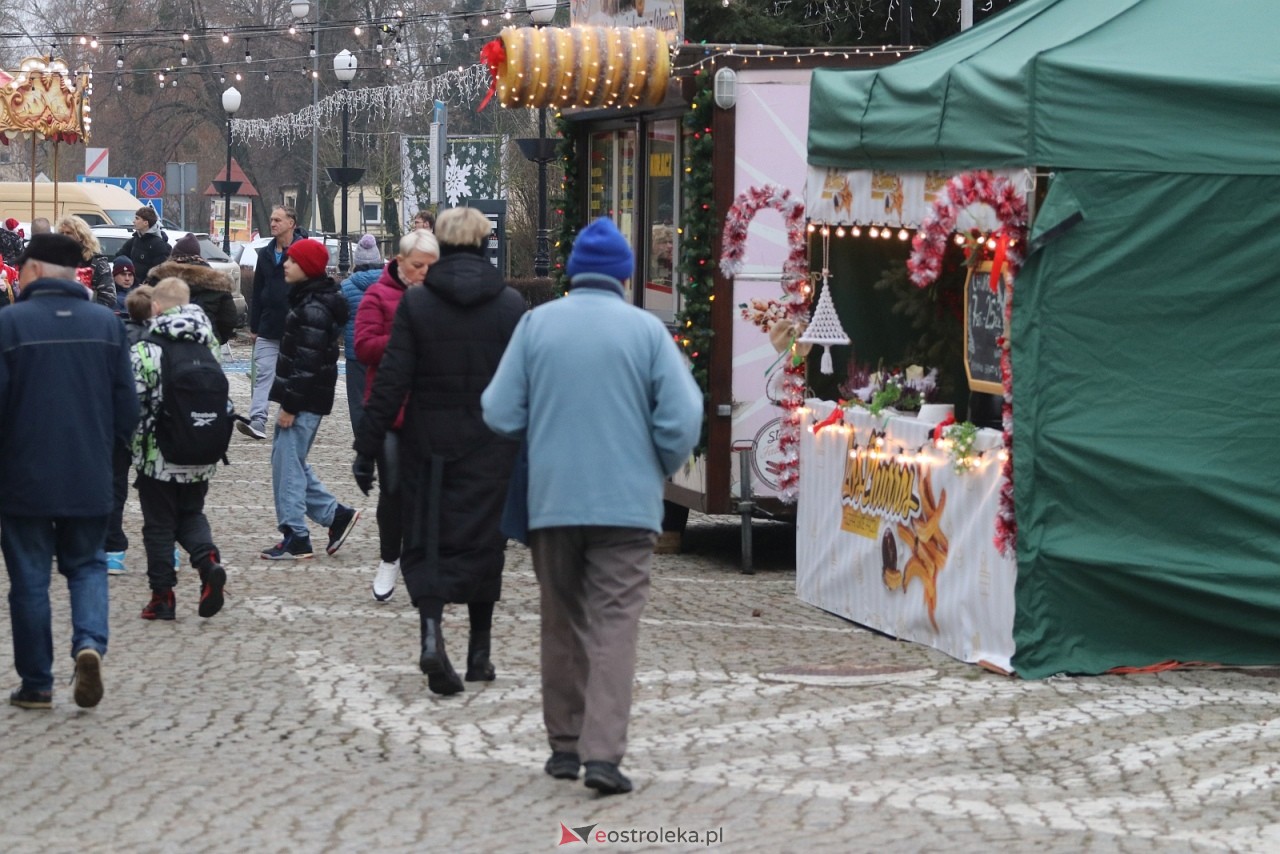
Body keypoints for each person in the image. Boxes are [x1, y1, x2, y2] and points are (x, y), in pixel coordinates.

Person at [481, 217, 702, 795]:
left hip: (552, 501)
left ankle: (564, 744)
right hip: (627, 508)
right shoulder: (647, 333)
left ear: (573, 272)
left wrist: (545, 428)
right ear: (625, 278)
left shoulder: (536, 326)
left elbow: (500, 411)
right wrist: (655, 463)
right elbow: (683, 418)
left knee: (560, 620)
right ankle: (603, 755)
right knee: (614, 625)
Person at [354, 208, 523, 695]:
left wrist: (367, 447)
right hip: (490, 445)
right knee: (484, 543)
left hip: (427, 443)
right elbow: (523, 385)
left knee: (426, 540)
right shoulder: (510, 305)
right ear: (485, 243)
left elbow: (391, 382)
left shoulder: (419, 304)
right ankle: (480, 652)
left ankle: (431, 636)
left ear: (442, 246)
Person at [0, 232, 139, 710]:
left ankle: (38, 683)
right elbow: (128, 407)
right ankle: (88, 644)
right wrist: (110, 453)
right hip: (88, 471)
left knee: (31, 580)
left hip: (23, 478)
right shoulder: (107, 324)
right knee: (86, 567)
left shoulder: (9, 325)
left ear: (33, 270)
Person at [130, 277, 229, 621]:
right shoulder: (210, 344)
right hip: (201, 449)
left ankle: (162, 597)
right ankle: (208, 562)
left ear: (156, 307)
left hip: (158, 455)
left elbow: (133, 402)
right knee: (191, 513)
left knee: (158, 525)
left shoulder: (147, 348)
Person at [260, 237, 360, 560]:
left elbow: (307, 362)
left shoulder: (314, 307)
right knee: (288, 461)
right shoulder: (309, 300)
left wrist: (290, 405)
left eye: (291, 260)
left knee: (287, 464)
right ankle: (335, 516)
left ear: (306, 268)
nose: (285, 265)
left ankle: (296, 535)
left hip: (303, 400)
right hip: (305, 398)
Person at [352, 229, 439, 602]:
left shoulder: (440, 296)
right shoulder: (378, 294)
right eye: (418, 266)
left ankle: (423, 562)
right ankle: (390, 558)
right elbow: (363, 346)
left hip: (431, 407)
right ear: (400, 262)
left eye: (431, 267)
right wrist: (404, 339)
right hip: (389, 407)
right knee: (393, 488)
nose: (424, 274)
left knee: (429, 491)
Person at [105, 284, 158, 577]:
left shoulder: (116, 337)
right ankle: (166, 549)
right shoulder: (162, 339)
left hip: (119, 423)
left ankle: (113, 549)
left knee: (115, 486)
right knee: (155, 490)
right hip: (153, 425)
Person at [241, 205, 306, 440]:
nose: (273, 223)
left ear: (292, 223)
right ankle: (258, 419)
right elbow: (257, 292)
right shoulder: (266, 254)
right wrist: (255, 326)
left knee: (292, 376)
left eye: (278, 219)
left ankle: (291, 418)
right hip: (268, 327)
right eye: (271, 219)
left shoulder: (302, 251)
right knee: (264, 375)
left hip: (295, 327)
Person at [147, 233, 237, 345]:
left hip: (166, 342)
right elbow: (230, 319)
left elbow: (146, 310)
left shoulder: (158, 278)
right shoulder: (218, 283)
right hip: (206, 343)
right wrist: (216, 338)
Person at [339, 233, 385, 431]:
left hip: (355, 352)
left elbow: (341, 318)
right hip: (384, 351)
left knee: (357, 401)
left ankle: (362, 439)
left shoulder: (346, 286)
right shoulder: (388, 284)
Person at [57, 215, 116, 310]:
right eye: (61, 233)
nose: (64, 236)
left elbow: (108, 298)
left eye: (68, 233)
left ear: (81, 236)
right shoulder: (55, 259)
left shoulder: (96, 262)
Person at [118, 207, 169, 283]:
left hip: (147, 290)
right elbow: (120, 256)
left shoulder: (158, 244)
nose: (133, 221)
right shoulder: (135, 239)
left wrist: (147, 284)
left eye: (137, 218)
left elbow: (160, 271)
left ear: (146, 223)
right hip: (132, 286)